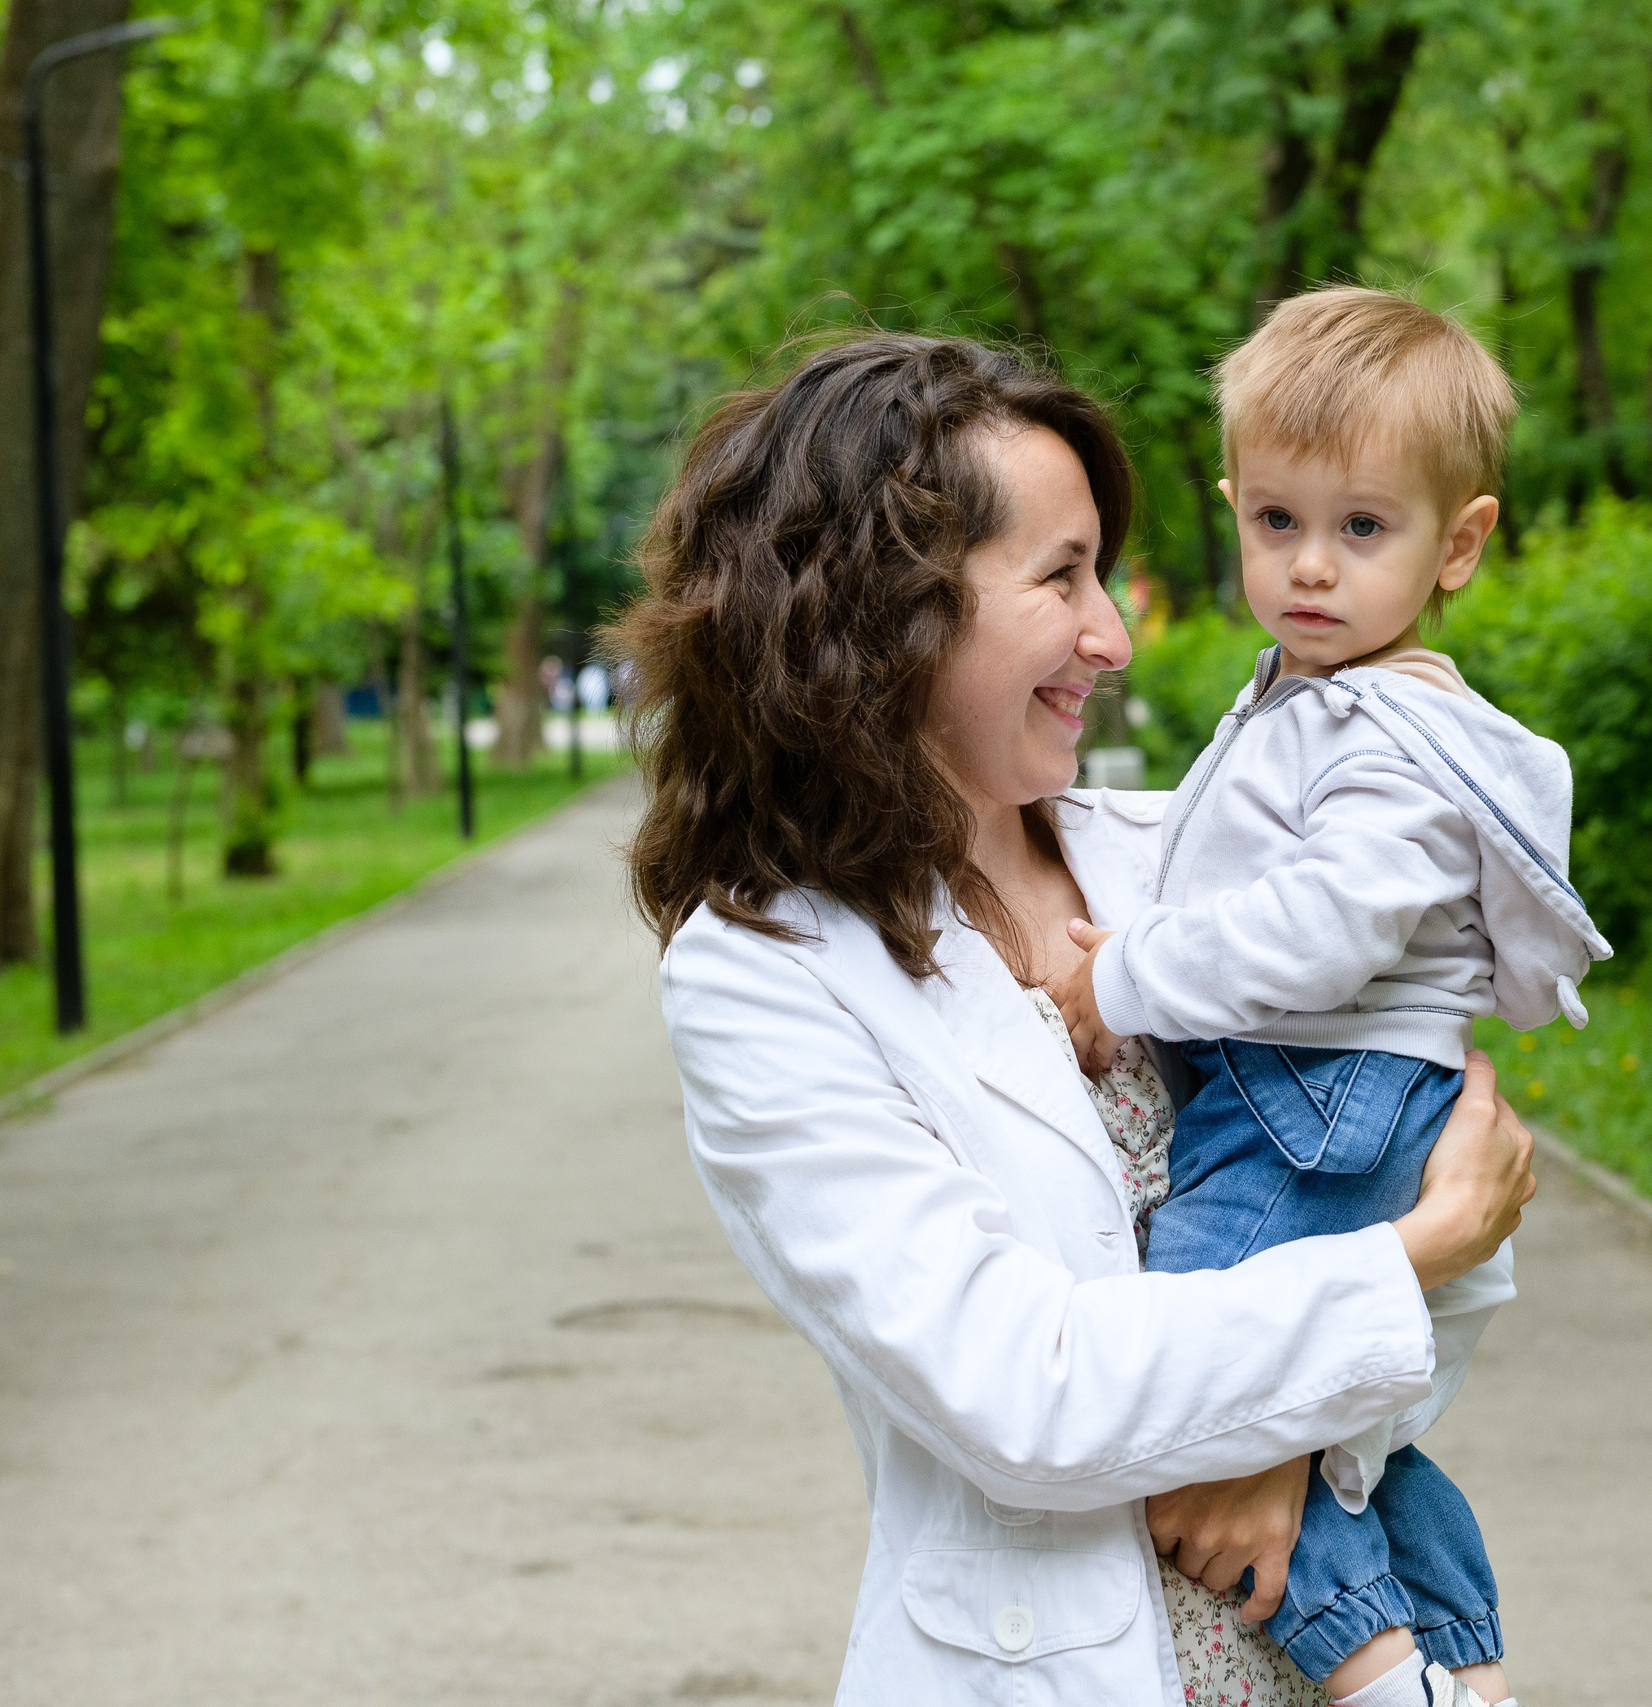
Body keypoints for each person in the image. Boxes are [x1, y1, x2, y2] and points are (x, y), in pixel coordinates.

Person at [620, 331, 1540, 1706]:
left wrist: (1293, 1449)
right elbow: (1024, 1392)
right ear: (885, 614)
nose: (1112, 634)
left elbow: (1452, 1205)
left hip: (1331, 1654)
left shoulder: (1188, 864)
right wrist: (1399, 1271)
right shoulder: (766, 974)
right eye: (1061, 577)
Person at [1051, 288, 1613, 1707]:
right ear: (1233, 506)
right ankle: (1464, 1669)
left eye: (1363, 529)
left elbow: (1316, 936)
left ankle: (1374, 1675)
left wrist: (1117, 977)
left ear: (1459, 544)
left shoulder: (1388, 733)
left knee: (1193, 1396)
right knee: (1353, 1436)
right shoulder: (1326, 697)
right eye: (1277, 522)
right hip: (1320, 1089)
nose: (1312, 568)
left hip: (1313, 1093)